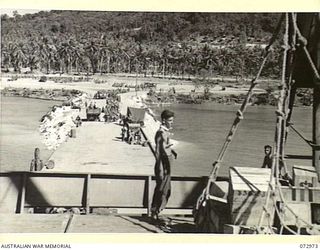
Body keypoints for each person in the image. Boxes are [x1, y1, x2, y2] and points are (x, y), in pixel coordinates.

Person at [151, 110, 177, 222]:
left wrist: (172, 150)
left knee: (164, 190)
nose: (172, 123)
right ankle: (154, 213)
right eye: (170, 121)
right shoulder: (161, 133)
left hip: (165, 166)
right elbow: (159, 152)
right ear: (164, 120)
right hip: (163, 166)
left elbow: (164, 148)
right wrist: (162, 168)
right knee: (162, 190)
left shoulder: (164, 133)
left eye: (172, 120)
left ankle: (156, 212)